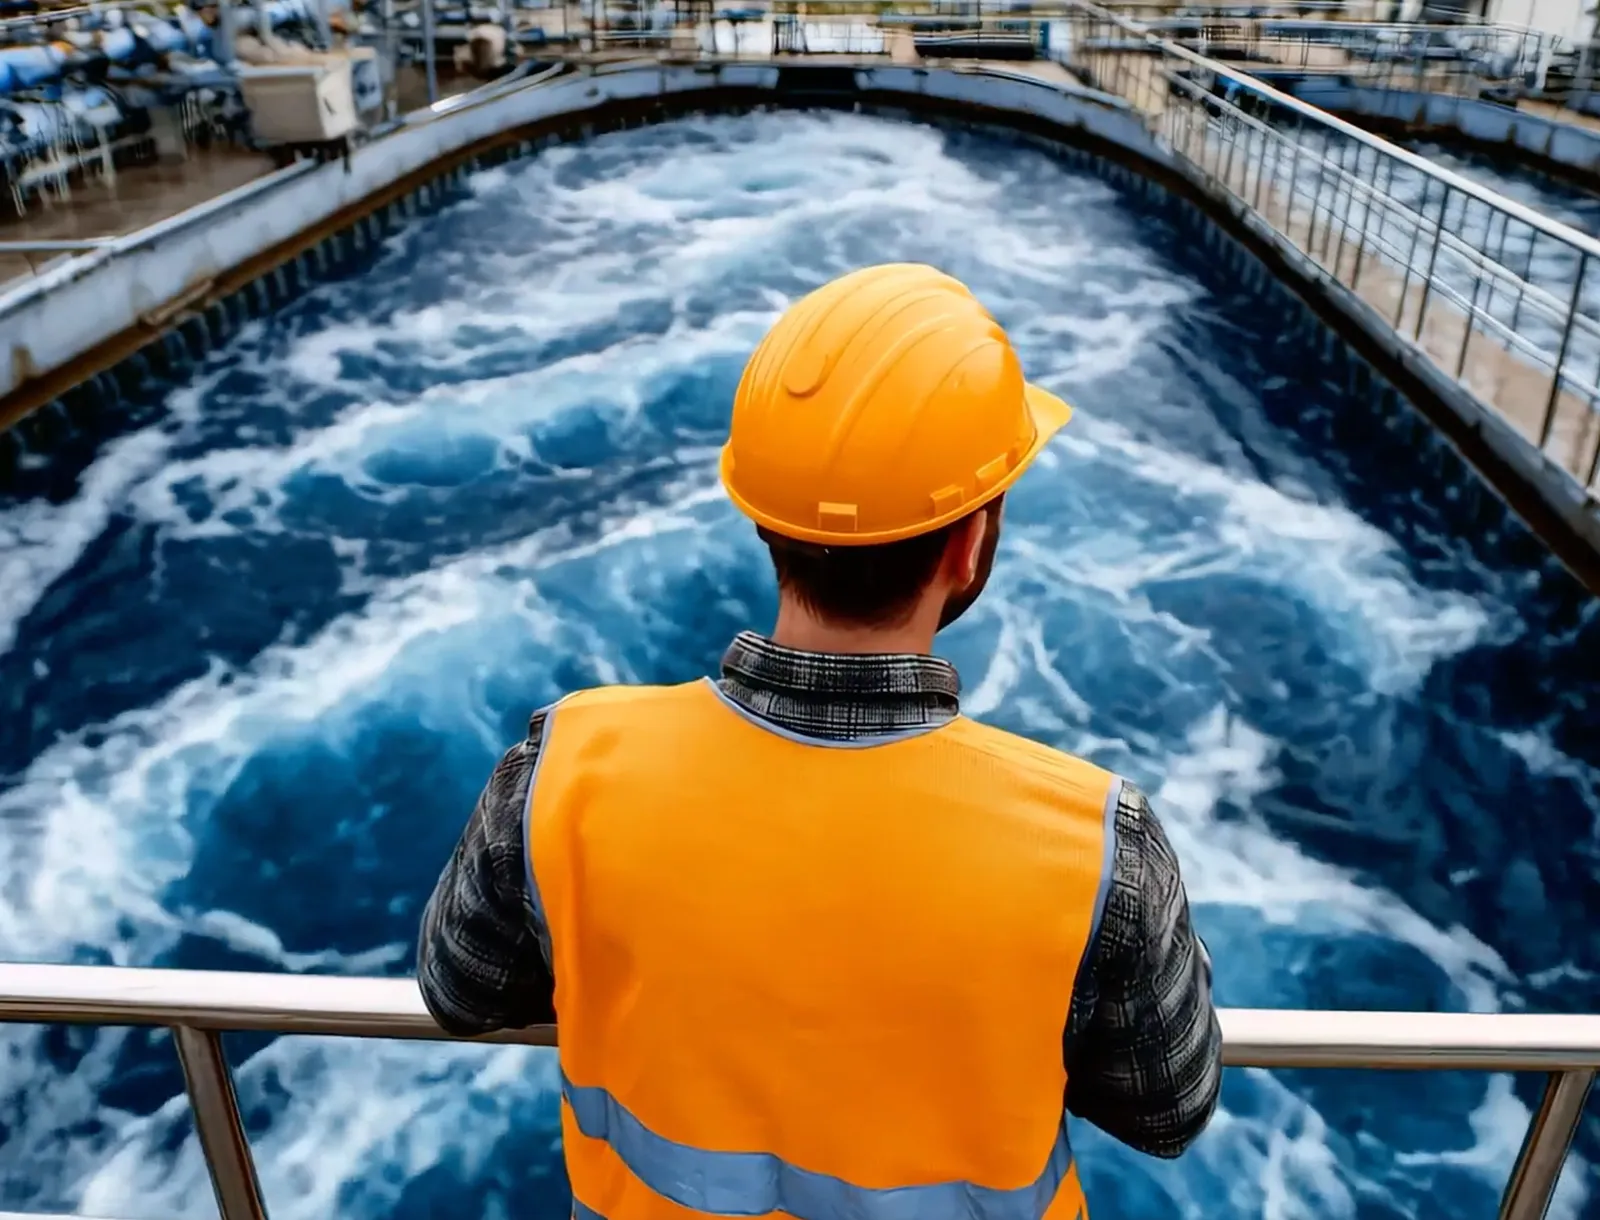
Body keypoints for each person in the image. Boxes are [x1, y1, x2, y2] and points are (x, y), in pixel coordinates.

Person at [418, 262, 1223, 1220]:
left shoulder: (564, 767)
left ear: (764, 517)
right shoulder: (1097, 844)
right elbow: (1168, 1108)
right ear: (967, 547)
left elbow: (459, 991)